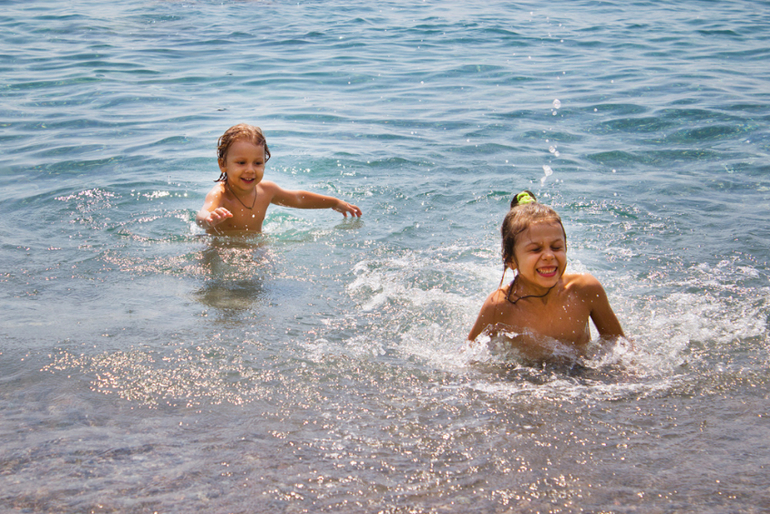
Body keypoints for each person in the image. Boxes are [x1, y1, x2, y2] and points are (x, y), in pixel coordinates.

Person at [468, 190, 624, 361]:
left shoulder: (585, 290)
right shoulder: (498, 306)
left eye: (556, 247)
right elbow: (468, 358)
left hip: (580, 372)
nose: (549, 255)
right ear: (511, 260)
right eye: (536, 249)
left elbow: (620, 346)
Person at [197, 124, 362, 234]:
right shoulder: (220, 194)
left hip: (255, 247)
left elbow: (298, 199)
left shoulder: (267, 190)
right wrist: (209, 219)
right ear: (223, 165)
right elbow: (202, 214)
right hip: (220, 249)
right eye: (241, 163)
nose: (250, 170)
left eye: (257, 163)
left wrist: (334, 202)